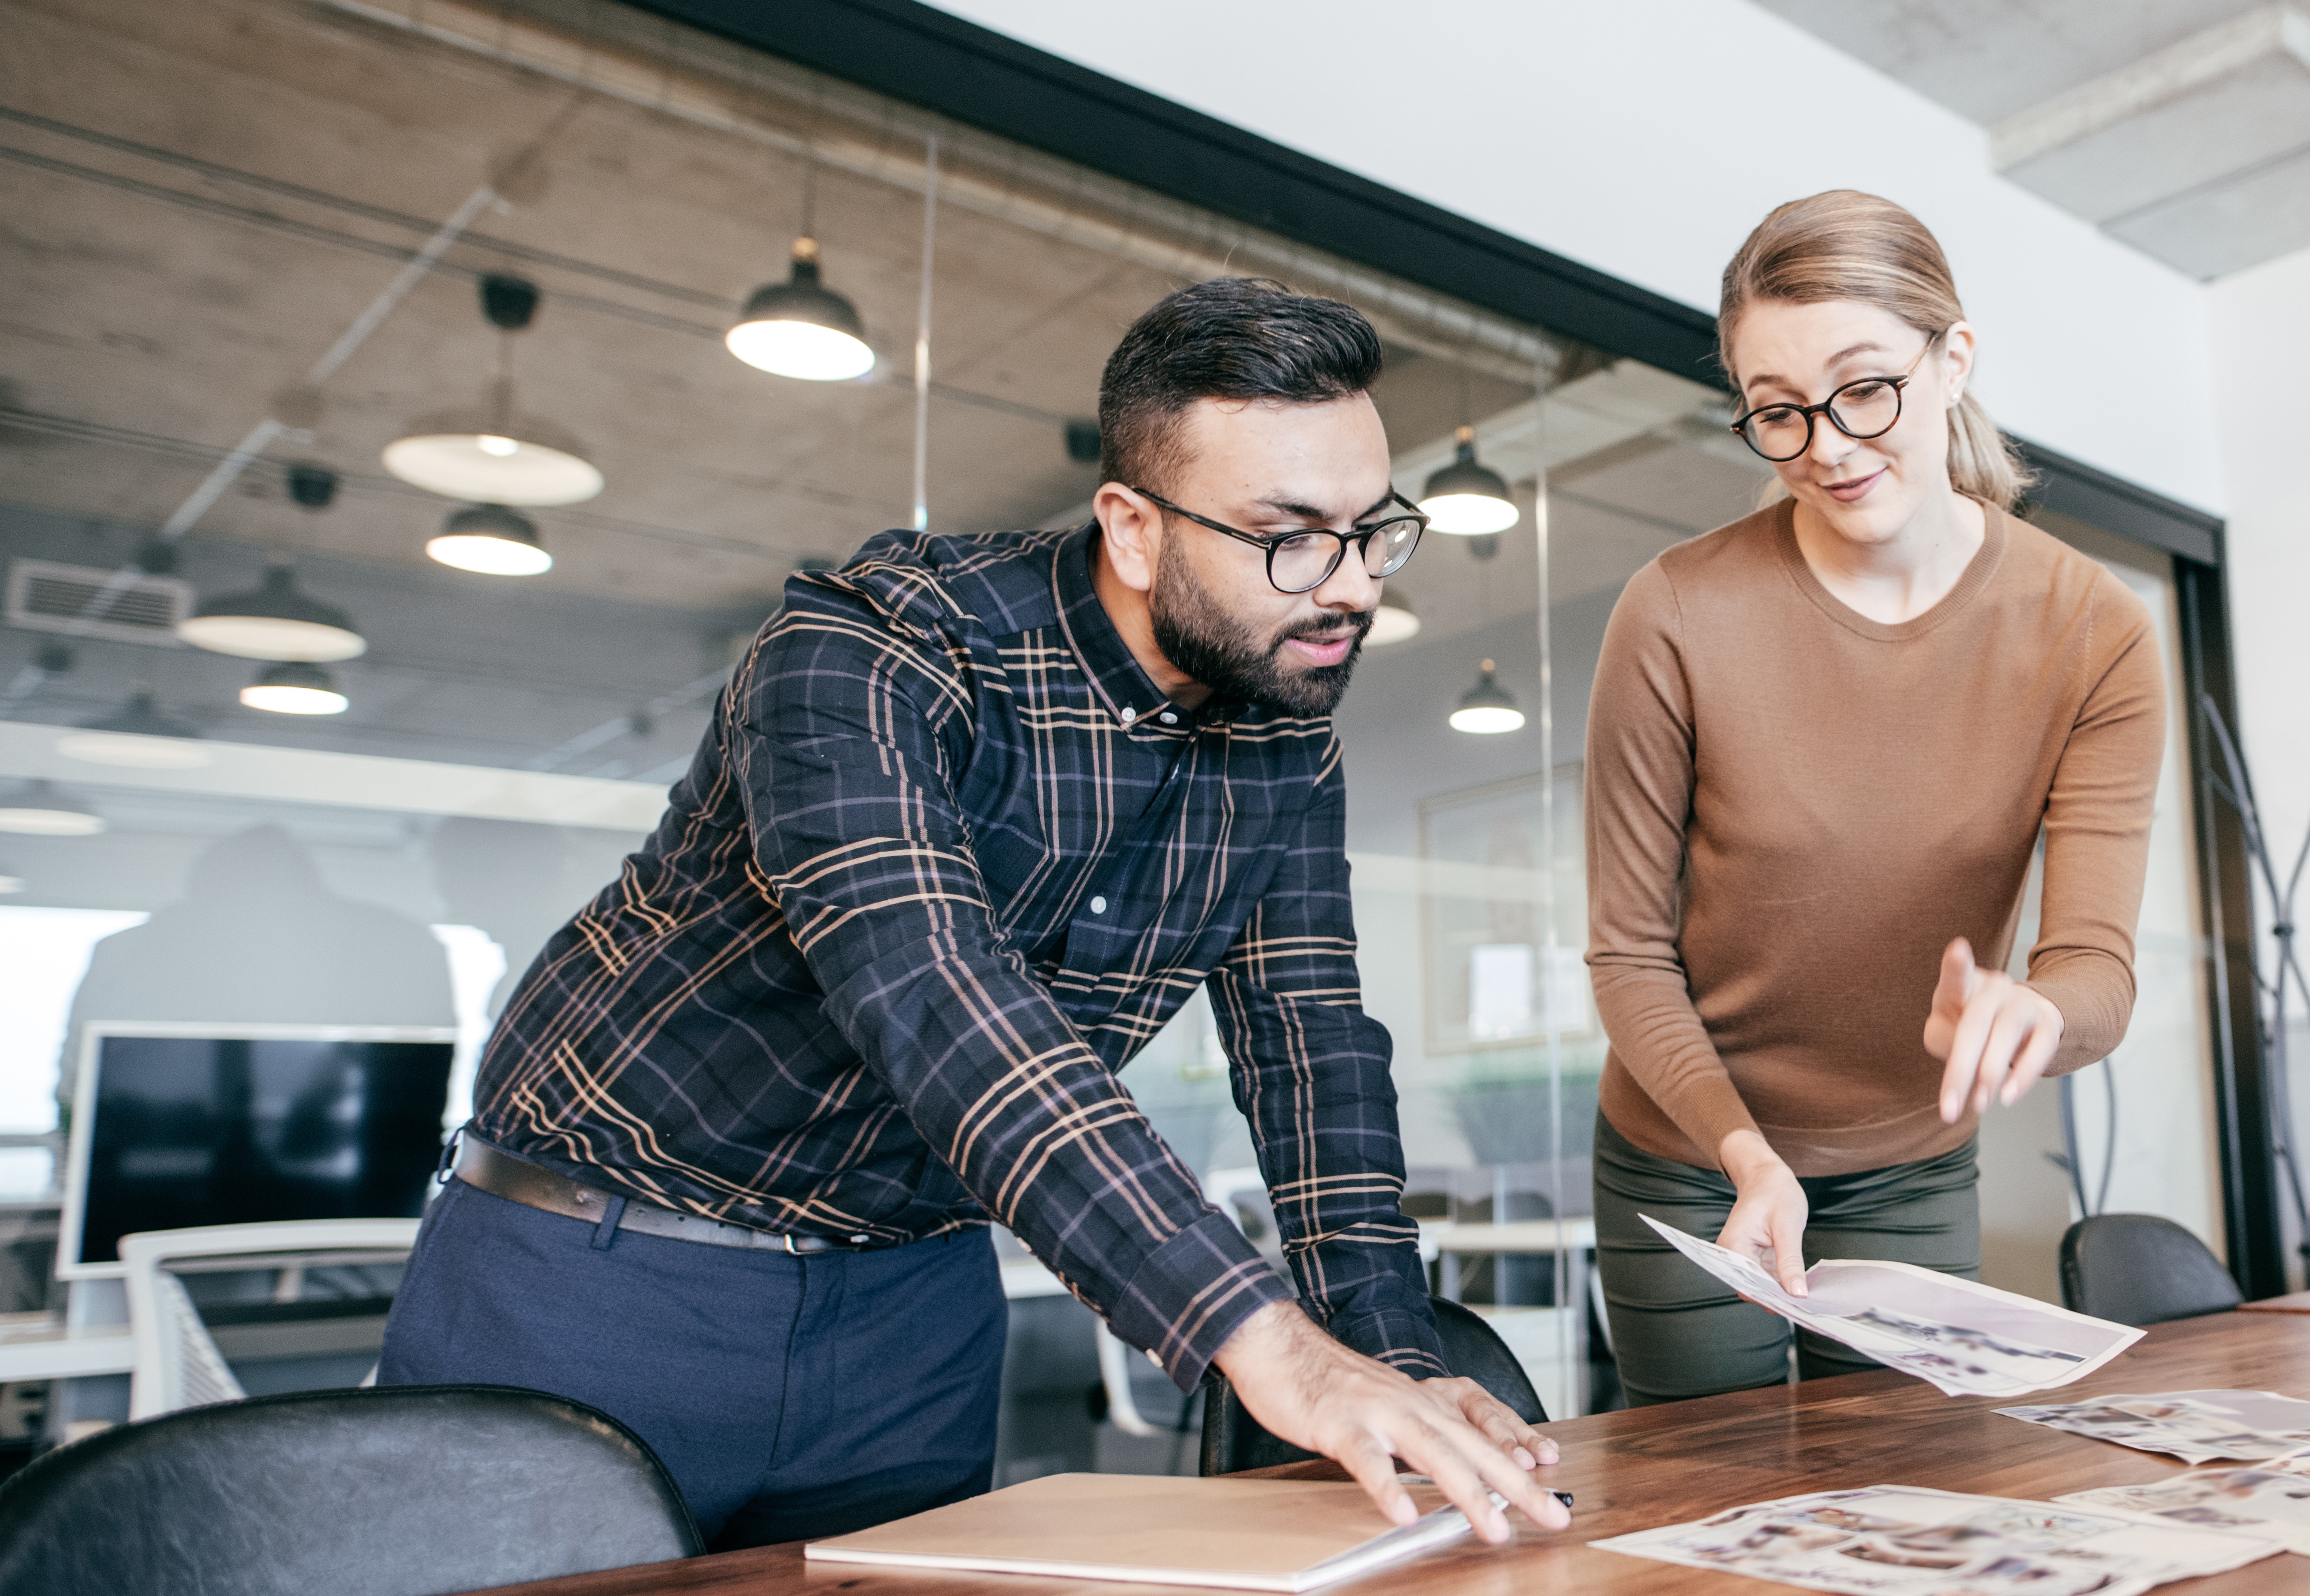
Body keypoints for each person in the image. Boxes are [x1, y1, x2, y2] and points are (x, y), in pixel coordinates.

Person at [379, 278, 1566, 1548]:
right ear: (1133, 525)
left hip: (914, 1305)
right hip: (605, 1269)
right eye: (1288, 535)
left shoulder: (1284, 744)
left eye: (1372, 530)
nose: (1345, 587)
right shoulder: (870, 651)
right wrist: (1257, 1332)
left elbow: (1314, 1057)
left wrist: (1392, 1359)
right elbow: (936, 991)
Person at [1585, 190, 2167, 1406]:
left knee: (1911, 1502)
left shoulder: (2093, 629)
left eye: (1865, 390)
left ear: (1953, 358)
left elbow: (2097, 971)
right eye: (1779, 412)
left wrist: (2035, 1016)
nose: (1829, 446)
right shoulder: (1678, 611)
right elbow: (1629, 954)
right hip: (1694, 1154)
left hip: (1909, 1164)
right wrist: (1743, 1152)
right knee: (1709, 1507)